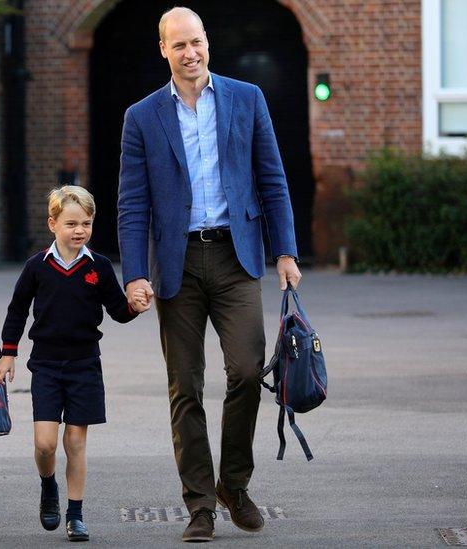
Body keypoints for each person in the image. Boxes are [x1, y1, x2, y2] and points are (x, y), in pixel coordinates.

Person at [116, 7, 303, 543]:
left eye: (195, 42)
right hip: (175, 265)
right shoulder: (142, 116)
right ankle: (199, 504)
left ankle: (234, 485)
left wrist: (285, 251)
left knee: (247, 371)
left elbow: (273, 179)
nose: (189, 53)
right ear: (163, 50)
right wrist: (134, 275)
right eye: (178, 46)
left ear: (207, 43)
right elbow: (132, 205)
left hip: (236, 256)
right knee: (186, 388)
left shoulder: (247, 98)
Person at [0, 185, 149, 542]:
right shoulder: (37, 266)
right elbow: (18, 310)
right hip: (46, 365)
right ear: (53, 224)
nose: (79, 231)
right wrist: (8, 352)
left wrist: (134, 307)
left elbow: (117, 310)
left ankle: (75, 514)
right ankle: (48, 485)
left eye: (87, 223)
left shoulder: (99, 267)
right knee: (46, 443)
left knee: (76, 442)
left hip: (84, 365)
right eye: (71, 223)